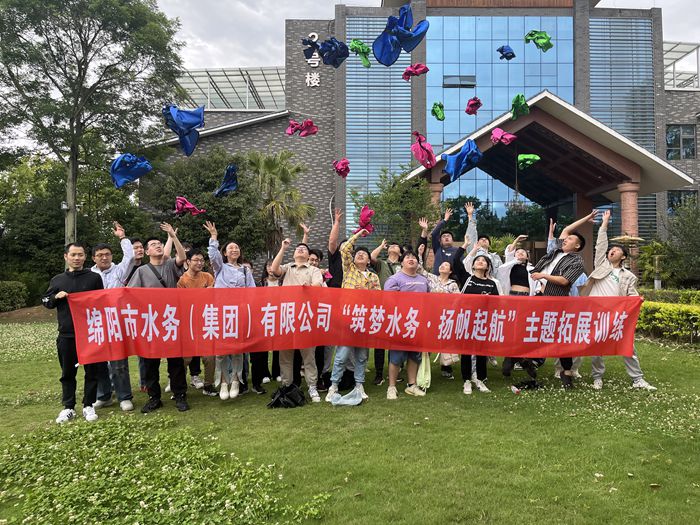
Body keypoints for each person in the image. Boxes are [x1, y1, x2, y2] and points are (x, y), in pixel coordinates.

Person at [579, 210, 657, 391]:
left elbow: (632, 295)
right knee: (596, 347)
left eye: (616, 250)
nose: (611, 251)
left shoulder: (628, 276)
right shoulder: (601, 265)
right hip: (596, 312)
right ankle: (597, 377)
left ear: (623, 257)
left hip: (615, 315)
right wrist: (604, 223)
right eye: (611, 250)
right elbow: (600, 245)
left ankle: (637, 379)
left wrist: (637, 299)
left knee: (628, 346)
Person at [43, 242, 108, 423]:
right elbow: (46, 301)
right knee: (67, 373)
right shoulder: (57, 280)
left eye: (80, 255)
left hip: (89, 334)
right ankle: (68, 407)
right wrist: (56, 297)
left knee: (92, 371)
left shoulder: (94, 278)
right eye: (73, 255)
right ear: (66, 256)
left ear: (85, 257)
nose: (77, 258)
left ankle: (89, 404)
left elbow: (101, 302)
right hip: (66, 334)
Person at [128, 223, 189, 413]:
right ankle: (154, 397)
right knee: (150, 362)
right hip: (151, 322)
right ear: (147, 252)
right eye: (153, 245)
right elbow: (131, 294)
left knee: (176, 361)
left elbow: (182, 257)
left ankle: (180, 395)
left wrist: (173, 236)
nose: (158, 246)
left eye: (159, 243)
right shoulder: (141, 271)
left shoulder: (170, 266)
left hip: (171, 320)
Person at [530, 211, 596, 389]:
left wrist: (543, 276)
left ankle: (566, 372)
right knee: (531, 330)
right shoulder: (557, 251)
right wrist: (586, 218)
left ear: (577, 246)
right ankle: (524, 360)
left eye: (570, 239)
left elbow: (564, 281)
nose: (565, 239)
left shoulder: (577, 262)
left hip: (557, 301)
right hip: (541, 296)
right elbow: (566, 229)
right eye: (566, 239)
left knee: (561, 337)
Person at [325, 229, 381, 402]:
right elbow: (344, 249)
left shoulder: (373, 277)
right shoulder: (349, 269)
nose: (361, 255)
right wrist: (357, 235)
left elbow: (379, 298)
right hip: (348, 317)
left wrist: (366, 291)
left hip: (364, 319)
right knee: (342, 354)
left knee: (362, 356)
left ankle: (359, 385)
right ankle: (333, 386)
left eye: (364, 254)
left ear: (369, 260)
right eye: (358, 254)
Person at [203, 221, 255, 401]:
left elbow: (253, 292)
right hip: (222, 312)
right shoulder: (220, 268)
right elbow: (213, 256)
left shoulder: (246, 270)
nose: (234, 249)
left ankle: (236, 380)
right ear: (224, 253)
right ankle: (223, 381)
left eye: (236, 247)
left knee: (238, 349)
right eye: (230, 248)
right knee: (221, 350)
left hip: (239, 313)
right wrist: (214, 237)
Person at [271, 237, 325, 402]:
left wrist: (304, 290)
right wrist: (283, 248)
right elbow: (274, 269)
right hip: (287, 316)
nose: (301, 249)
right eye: (298, 248)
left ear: (308, 255)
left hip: (305, 316)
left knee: (308, 355)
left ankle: (312, 386)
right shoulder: (288, 267)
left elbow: (318, 285)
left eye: (304, 249)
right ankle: (287, 386)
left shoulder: (313, 270)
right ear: (294, 254)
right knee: (285, 356)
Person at [90, 221, 136, 412]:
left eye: (107, 254)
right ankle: (104, 395)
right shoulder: (88, 274)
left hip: (116, 321)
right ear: (93, 258)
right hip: (96, 322)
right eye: (100, 255)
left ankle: (124, 396)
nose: (104, 257)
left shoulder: (119, 270)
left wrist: (122, 237)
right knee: (99, 361)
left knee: (119, 362)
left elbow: (130, 256)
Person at [456, 241, 503, 394]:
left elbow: (497, 304)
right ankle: (467, 380)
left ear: (488, 267)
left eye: (484, 260)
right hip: (467, 320)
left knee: (481, 351)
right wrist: (466, 246)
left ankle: (480, 379)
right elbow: (456, 262)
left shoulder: (492, 284)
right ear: (473, 265)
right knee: (466, 351)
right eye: (478, 260)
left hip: (483, 322)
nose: (480, 261)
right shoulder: (467, 279)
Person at [384, 250, 430, 400]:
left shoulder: (423, 280)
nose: (411, 259)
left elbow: (429, 301)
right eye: (407, 257)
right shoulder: (394, 279)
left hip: (418, 323)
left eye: (414, 257)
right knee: (396, 356)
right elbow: (388, 301)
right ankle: (392, 386)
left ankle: (412, 385)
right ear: (401, 262)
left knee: (415, 355)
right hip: (399, 323)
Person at [177, 248, 218, 397]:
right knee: (185, 358)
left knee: (209, 356)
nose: (200, 263)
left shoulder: (208, 277)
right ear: (188, 262)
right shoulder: (182, 280)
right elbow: (182, 301)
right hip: (188, 324)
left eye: (202, 260)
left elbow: (213, 297)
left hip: (205, 322)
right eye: (196, 260)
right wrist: (203, 294)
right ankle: (180, 387)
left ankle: (208, 385)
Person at [369, 236, 404, 385]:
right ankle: (379, 373)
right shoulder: (382, 264)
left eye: (396, 246)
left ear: (400, 253)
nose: (393, 246)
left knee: (395, 341)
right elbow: (371, 257)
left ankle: (395, 371)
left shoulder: (403, 266)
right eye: (391, 245)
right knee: (380, 341)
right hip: (382, 306)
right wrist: (381, 246)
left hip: (399, 307)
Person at [260, 259, 280, 383]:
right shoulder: (261, 283)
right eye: (268, 265)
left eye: (273, 265)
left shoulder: (282, 282)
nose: (271, 268)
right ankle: (264, 373)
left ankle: (277, 372)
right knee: (264, 346)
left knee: (278, 346)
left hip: (279, 316)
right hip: (265, 316)